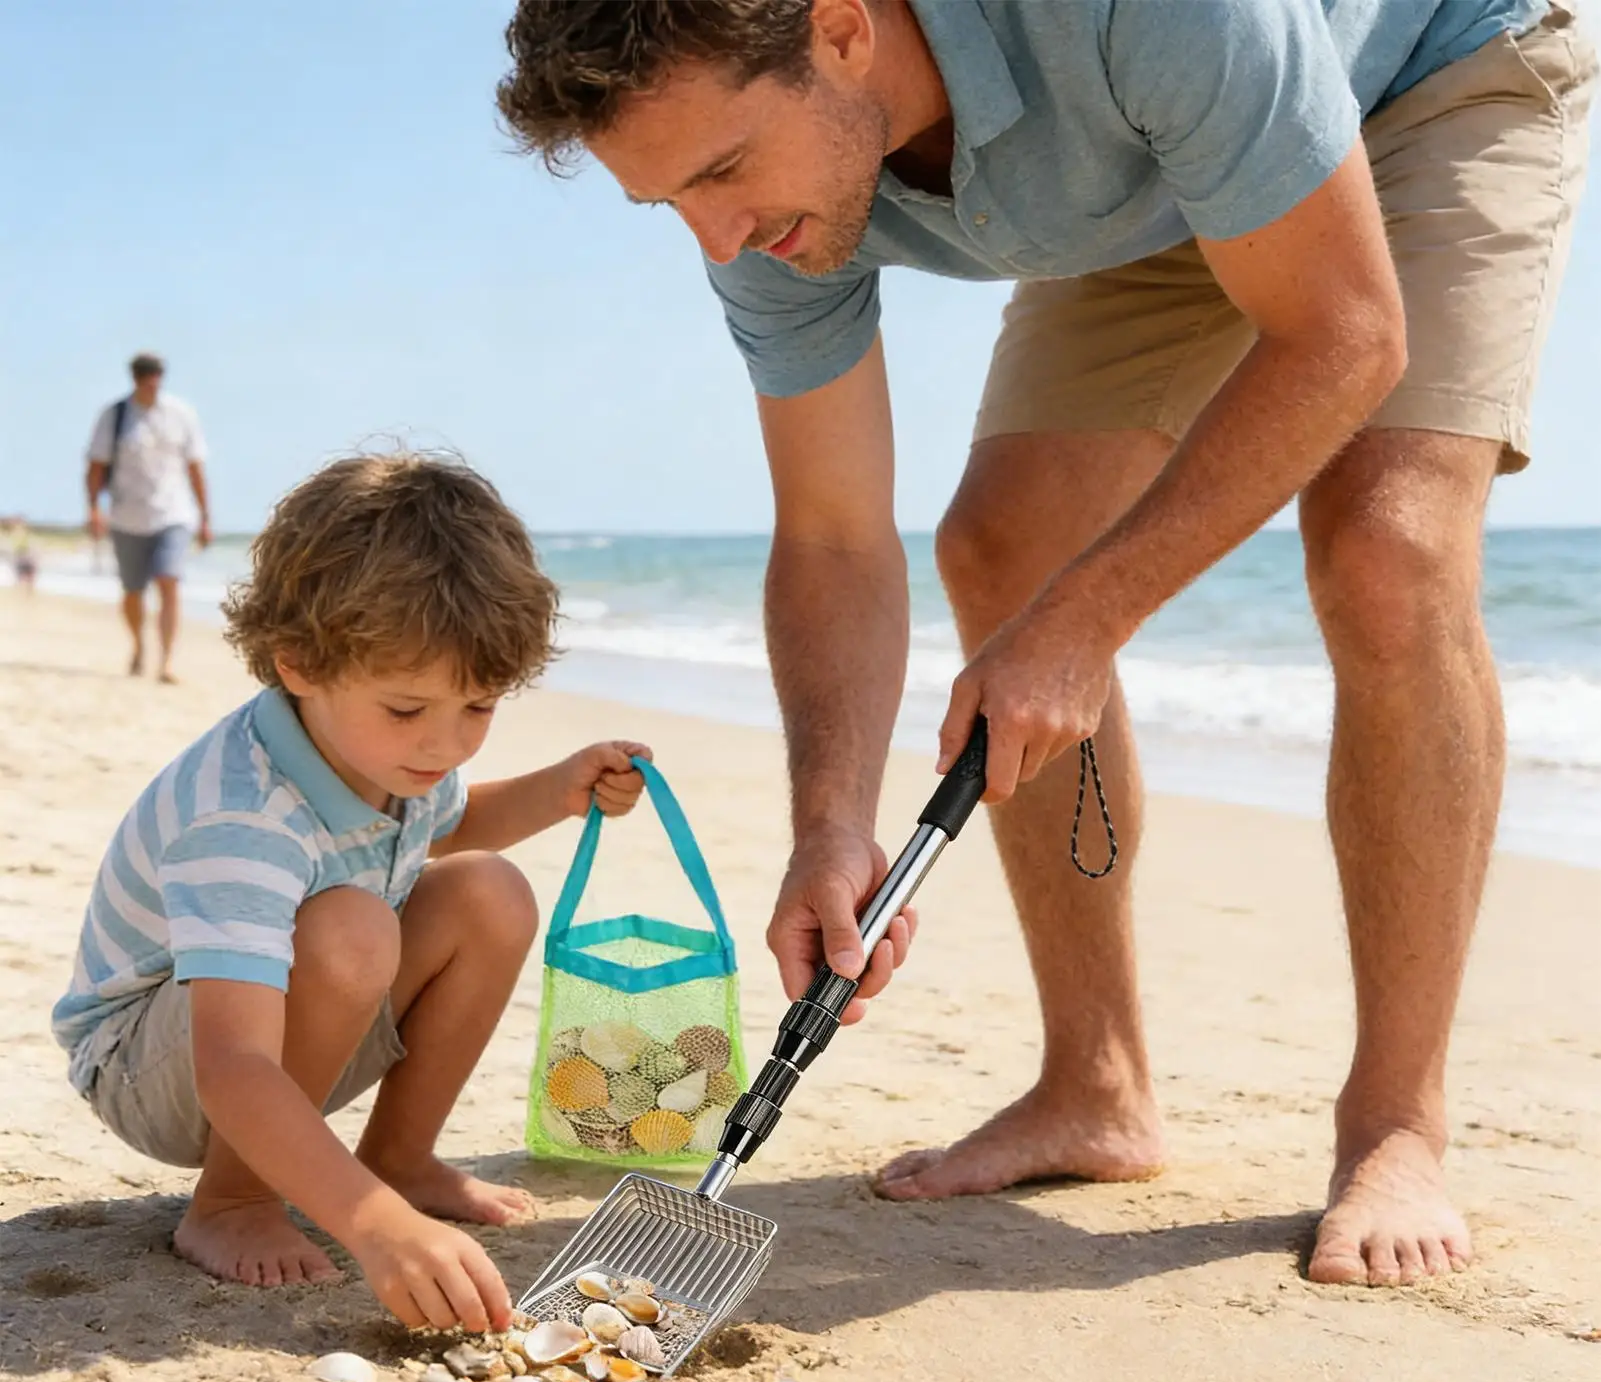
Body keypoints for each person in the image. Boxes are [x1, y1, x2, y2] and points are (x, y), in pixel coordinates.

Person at [498, 0, 1596, 1287]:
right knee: (1003, 547)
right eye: (668, 200)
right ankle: (1095, 1085)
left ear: (841, 32)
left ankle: (1395, 1122)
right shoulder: (749, 201)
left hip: (1422, 68)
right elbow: (837, 535)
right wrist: (828, 824)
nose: (717, 237)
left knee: (1384, 548)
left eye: (725, 171)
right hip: (1161, 159)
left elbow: (1343, 334)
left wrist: (1084, 626)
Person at [52, 451, 652, 1331]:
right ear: (296, 663)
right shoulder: (243, 817)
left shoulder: (381, 756)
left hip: (280, 1030)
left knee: (490, 891)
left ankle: (400, 1159)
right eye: (409, 710)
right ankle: (229, 1201)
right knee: (354, 928)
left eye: (478, 707)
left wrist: (554, 790)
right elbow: (234, 1064)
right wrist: (371, 1228)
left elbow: (441, 828)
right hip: (162, 1064)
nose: (445, 744)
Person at [85, 352, 212, 683]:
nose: (150, 378)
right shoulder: (115, 416)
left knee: (169, 580)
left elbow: (196, 468)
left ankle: (166, 662)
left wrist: (205, 516)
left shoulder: (181, 414)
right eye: (144, 372)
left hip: (174, 513)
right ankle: (139, 645)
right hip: (127, 517)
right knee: (132, 591)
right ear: (134, 377)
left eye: (155, 372)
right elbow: (95, 467)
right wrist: (93, 510)